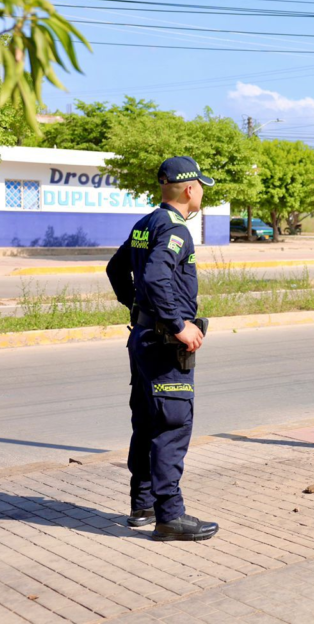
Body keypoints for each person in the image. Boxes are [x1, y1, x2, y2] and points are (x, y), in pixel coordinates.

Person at [106, 156, 219, 542]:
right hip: (162, 344)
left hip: (142, 338)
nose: (202, 191)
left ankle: (142, 505)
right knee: (171, 425)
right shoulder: (176, 230)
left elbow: (116, 269)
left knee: (147, 421)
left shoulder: (145, 224)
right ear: (190, 189)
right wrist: (176, 324)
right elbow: (155, 276)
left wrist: (137, 310)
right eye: (201, 186)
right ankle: (169, 516)